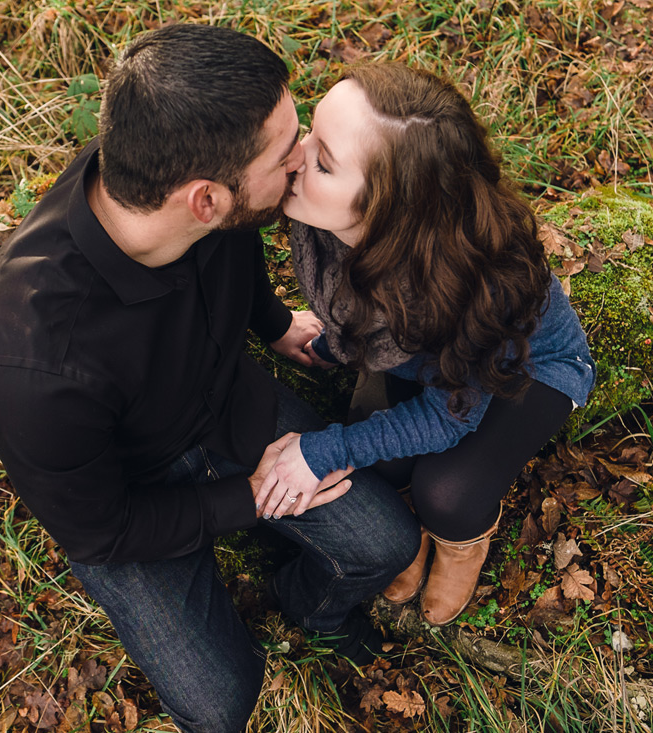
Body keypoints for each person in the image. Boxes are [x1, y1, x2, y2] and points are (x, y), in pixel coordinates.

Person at [0, 25, 419, 733]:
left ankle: (308, 604)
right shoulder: (28, 361)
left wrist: (271, 324)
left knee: (386, 541)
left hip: (227, 406)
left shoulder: (186, 181)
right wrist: (251, 498)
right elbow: (102, 529)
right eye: (286, 150)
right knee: (221, 703)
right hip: (134, 502)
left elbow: (236, 256)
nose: (304, 159)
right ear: (204, 200)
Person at [254, 63, 596, 626]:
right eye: (310, 133)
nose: (296, 156)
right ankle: (402, 525)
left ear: (389, 210)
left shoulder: (474, 293)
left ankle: (463, 539)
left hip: (527, 366)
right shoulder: (325, 218)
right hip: (423, 361)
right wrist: (331, 343)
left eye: (324, 162)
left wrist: (323, 451)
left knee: (446, 492)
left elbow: (449, 418)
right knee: (384, 473)